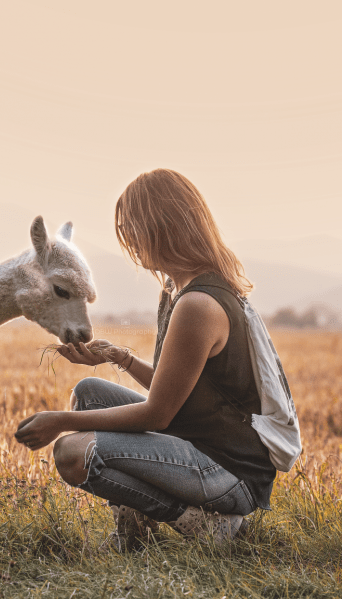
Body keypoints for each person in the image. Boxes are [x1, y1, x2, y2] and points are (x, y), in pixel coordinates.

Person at [14, 168, 276, 550]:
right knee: (89, 391)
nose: (130, 242)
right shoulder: (175, 290)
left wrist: (60, 422)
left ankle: (200, 525)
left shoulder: (198, 305)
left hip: (231, 474)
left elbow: (159, 415)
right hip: (200, 441)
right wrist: (119, 357)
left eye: (134, 229)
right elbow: (175, 393)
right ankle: (133, 533)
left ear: (163, 227)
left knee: (71, 452)